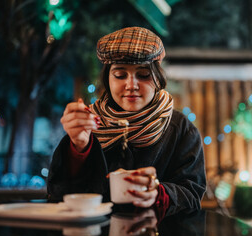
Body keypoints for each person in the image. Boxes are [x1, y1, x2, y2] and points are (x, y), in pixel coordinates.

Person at [47, 26, 206, 216]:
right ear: (108, 79)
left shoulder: (181, 129)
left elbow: (192, 195)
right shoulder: (88, 124)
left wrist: (158, 194)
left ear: (158, 78)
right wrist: (78, 147)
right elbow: (59, 196)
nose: (131, 85)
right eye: (120, 75)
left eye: (143, 74)